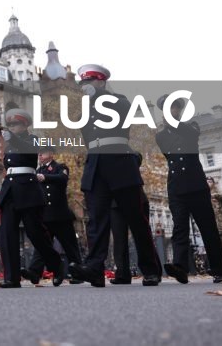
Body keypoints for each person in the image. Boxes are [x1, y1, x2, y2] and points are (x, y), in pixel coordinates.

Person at [68, 64, 161, 287]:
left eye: (89, 82)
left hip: (120, 163)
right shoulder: (85, 110)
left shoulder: (119, 101)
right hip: (96, 166)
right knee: (96, 222)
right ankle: (95, 270)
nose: (86, 87)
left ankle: (150, 270)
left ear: (101, 82)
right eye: (83, 84)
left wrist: (99, 97)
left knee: (136, 220)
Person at [155, 96, 222, 283]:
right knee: (179, 227)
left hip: (195, 184)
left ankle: (219, 269)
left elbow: (189, 136)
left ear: (180, 110)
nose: (170, 112)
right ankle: (180, 267)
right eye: (167, 109)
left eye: (174, 108)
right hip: (176, 186)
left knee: (207, 228)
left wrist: (174, 123)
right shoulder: (161, 135)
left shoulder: (192, 127)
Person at [0, 109, 63, 288]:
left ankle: (57, 266)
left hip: (27, 190)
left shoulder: (32, 140)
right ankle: (11, 277)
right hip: (10, 190)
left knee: (36, 233)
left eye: (15, 124)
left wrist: (12, 138)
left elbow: (27, 152)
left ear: (25, 125)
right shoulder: (11, 145)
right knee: (7, 234)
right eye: (9, 125)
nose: (12, 128)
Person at [22, 145, 83, 285]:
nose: (40, 155)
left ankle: (78, 273)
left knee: (69, 245)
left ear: (51, 154)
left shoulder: (60, 167)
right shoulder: (38, 170)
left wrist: (45, 177)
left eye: (42, 153)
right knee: (42, 246)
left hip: (60, 214)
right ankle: (34, 272)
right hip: (44, 215)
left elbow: (62, 179)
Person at [108, 191, 150, 284]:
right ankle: (122, 274)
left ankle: (150, 272)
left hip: (133, 194)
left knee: (142, 236)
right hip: (114, 200)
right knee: (119, 239)